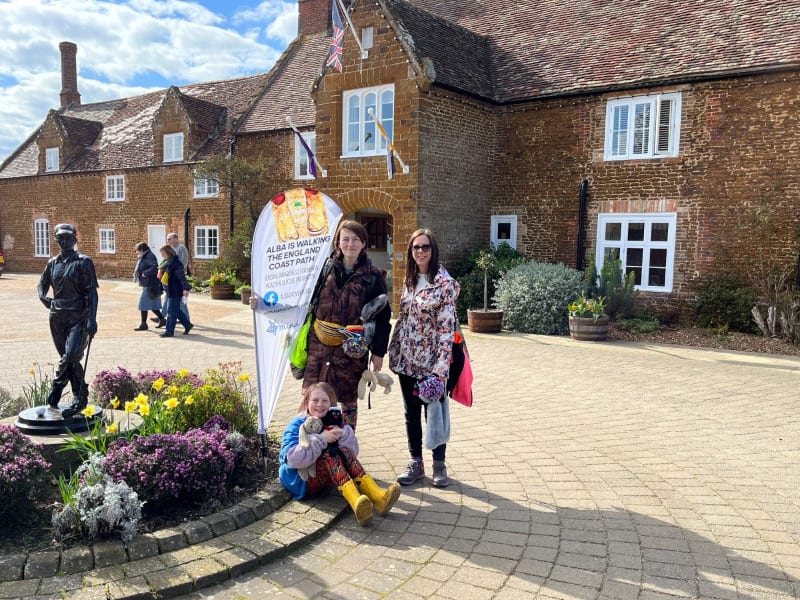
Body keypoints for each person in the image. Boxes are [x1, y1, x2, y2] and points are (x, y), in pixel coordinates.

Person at [250, 220, 391, 431]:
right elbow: (299, 297)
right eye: (345, 239)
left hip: (351, 349)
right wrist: (265, 304)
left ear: (363, 243)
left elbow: (382, 317)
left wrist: (378, 352)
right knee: (315, 396)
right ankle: (311, 443)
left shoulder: (372, 277)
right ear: (338, 243)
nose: (350, 244)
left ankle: (346, 447)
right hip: (318, 347)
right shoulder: (322, 269)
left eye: (355, 239)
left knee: (348, 398)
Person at [388, 228, 460, 487]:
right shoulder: (408, 280)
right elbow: (403, 319)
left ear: (433, 250)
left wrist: (440, 370)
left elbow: (446, 330)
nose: (420, 251)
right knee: (411, 413)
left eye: (425, 247)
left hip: (432, 363)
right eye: (415, 247)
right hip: (407, 359)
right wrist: (394, 351)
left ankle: (439, 464)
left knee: (435, 413)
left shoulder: (444, 284)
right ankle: (415, 462)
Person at [279, 382, 400, 526]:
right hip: (301, 481)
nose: (320, 404)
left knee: (343, 451)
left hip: (326, 480)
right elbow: (293, 459)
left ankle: (377, 496)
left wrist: (343, 434)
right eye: (315, 400)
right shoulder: (299, 424)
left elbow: (353, 452)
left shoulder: (334, 419)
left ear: (332, 403)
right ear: (307, 402)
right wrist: (322, 439)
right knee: (331, 454)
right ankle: (356, 503)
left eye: (325, 401)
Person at [37, 223, 99, 419]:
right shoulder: (52, 263)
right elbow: (42, 283)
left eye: (68, 238)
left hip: (78, 317)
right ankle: (79, 397)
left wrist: (92, 319)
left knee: (71, 356)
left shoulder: (84, 262)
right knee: (70, 361)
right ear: (56, 240)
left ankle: (56, 390)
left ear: (75, 239)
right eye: (60, 238)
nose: (64, 241)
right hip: (57, 317)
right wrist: (42, 296)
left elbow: (92, 293)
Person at [153, 232, 190, 325]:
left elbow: (184, 262)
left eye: (169, 239)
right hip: (170, 277)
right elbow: (165, 262)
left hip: (178, 276)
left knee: (179, 299)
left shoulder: (181, 248)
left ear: (176, 238)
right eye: (167, 239)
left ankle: (186, 320)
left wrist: (176, 271)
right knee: (168, 297)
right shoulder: (171, 249)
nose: (168, 241)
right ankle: (162, 316)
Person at [157, 244, 193, 337]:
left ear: (168, 253)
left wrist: (185, 289)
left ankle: (169, 331)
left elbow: (182, 278)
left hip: (175, 290)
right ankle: (188, 325)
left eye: (163, 254)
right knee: (176, 310)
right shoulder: (166, 262)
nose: (162, 256)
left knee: (171, 311)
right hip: (169, 290)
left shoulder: (176, 264)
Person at [133, 242, 165, 330]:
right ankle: (162, 320)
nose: (136, 252)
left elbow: (155, 267)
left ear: (141, 249)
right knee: (153, 305)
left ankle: (143, 324)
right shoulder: (144, 256)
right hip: (149, 284)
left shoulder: (149, 256)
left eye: (137, 250)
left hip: (150, 284)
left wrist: (145, 273)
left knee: (143, 304)